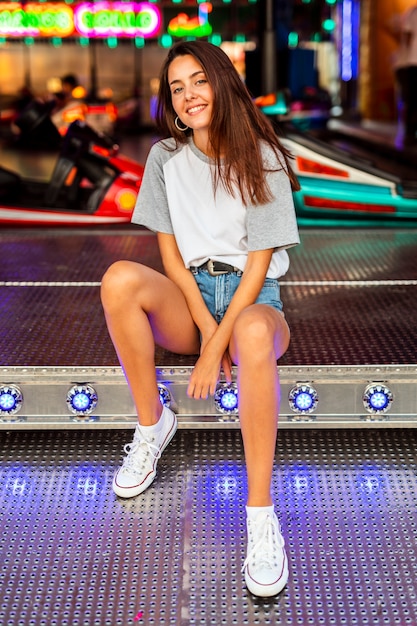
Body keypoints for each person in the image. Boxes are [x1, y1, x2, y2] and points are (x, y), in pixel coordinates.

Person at [100, 40, 300, 598]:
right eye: (177, 87)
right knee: (119, 278)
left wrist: (223, 344)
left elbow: (259, 267)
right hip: (193, 299)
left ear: (222, 82)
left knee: (253, 331)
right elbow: (169, 257)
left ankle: (260, 516)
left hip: (252, 297)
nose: (189, 96)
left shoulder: (262, 154)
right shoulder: (164, 158)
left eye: (198, 81)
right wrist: (207, 335)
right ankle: (152, 424)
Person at [390, 5, 417, 146]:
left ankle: (410, 133)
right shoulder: (412, 12)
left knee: (411, 99)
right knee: (411, 99)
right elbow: (407, 36)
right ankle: (409, 133)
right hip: (412, 61)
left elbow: (407, 36)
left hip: (411, 61)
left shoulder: (412, 12)